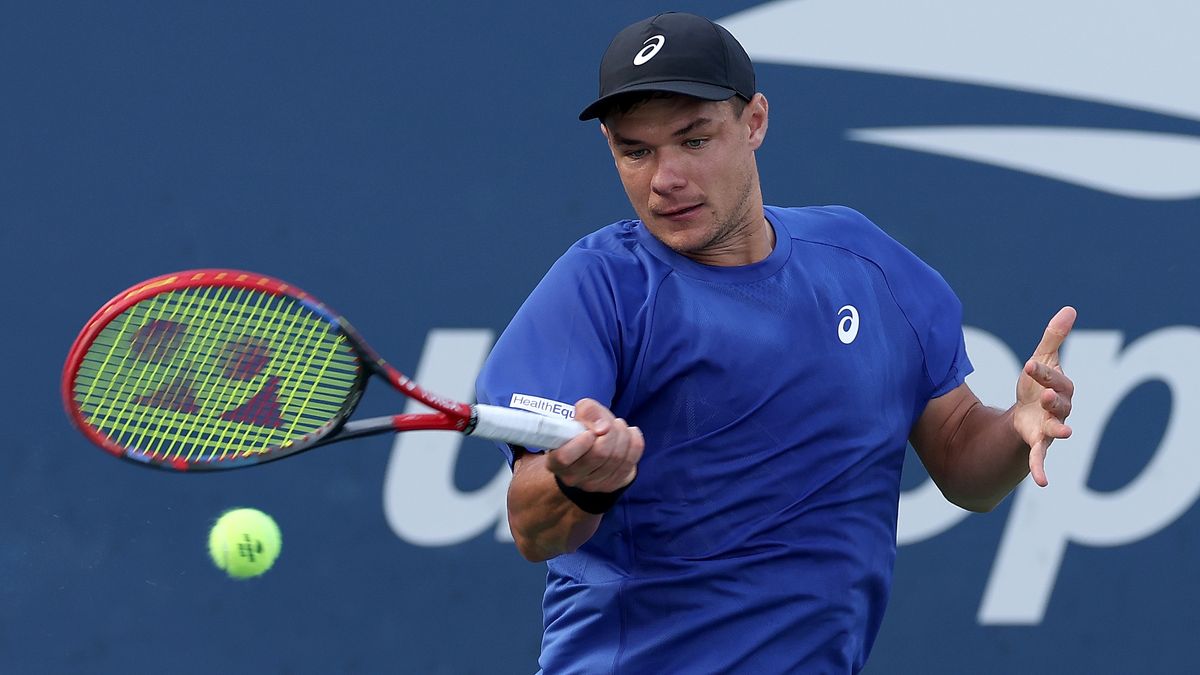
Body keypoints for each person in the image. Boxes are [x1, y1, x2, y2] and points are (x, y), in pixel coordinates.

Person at [475, 11, 1076, 674]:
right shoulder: (596, 288)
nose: (664, 178)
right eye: (636, 151)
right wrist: (581, 482)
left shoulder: (866, 265)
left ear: (754, 122)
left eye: (693, 140)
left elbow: (963, 463)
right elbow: (533, 527)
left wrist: (1017, 428)